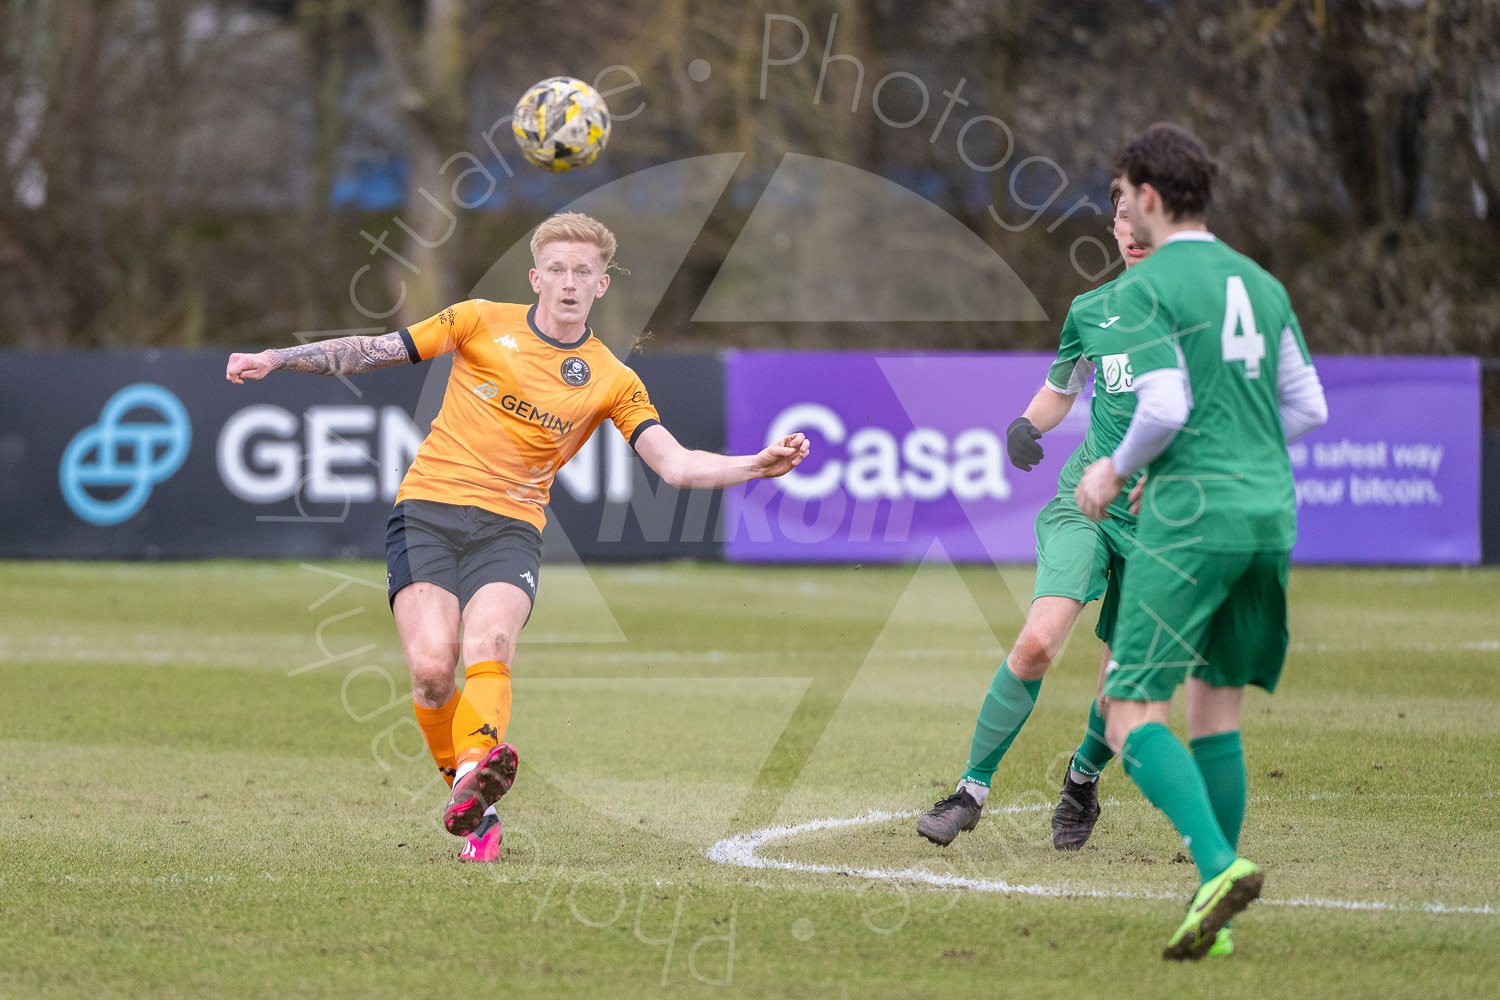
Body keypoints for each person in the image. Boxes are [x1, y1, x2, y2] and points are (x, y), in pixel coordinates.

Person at [226, 212, 810, 862]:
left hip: (511, 527)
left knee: (491, 643)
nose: (568, 282)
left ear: (601, 286)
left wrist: (756, 465)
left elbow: (673, 463)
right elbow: (377, 350)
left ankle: (477, 772)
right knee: (428, 672)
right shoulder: (478, 320)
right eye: (556, 269)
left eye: (582, 272)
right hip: (427, 509)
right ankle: (474, 803)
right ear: (535, 277)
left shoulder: (613, 379)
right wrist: (276, 358)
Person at [1074, 123, 1327, 960]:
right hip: (1269, 513)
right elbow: (1307, 407)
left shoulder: (1148, 288)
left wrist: (1111, 473)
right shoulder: (1260, 281)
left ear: (1146, 196)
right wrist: (1241, 456)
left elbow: (1164, 410)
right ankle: (1207, 916)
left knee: (1125, 706)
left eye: (1123, 197)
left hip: (1192, 519)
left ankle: (1217, 864)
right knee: (1216, 706)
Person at [917, 178, 1151, 853]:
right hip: (1088, 504)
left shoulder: (1197, 318)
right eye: (1120, 218)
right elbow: (1060, 390)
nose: (1131, 231)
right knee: (1037, 642)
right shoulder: (1092, 310)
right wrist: (1027, 425)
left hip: (1160, 525)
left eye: (1144, 218)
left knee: (1120, 692)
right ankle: (970, 790)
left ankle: (1081, 778)